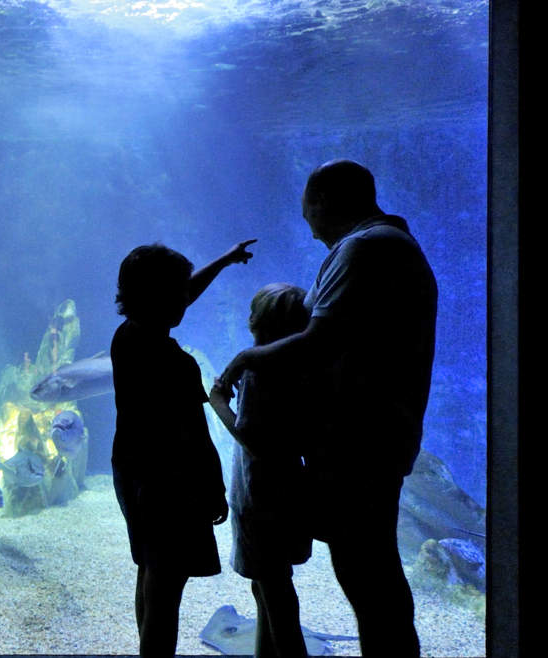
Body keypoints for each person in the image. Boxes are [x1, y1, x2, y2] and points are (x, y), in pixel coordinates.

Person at [219, 159, 437, 656]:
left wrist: (247, 358)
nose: (310, 228)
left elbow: (319, 341)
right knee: (369, 573)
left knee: (368, 576)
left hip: (361, 445)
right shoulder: (389, 245)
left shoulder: (363, 247)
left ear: (321, 202)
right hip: (370, 440)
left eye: (308, 213)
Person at [110, 238, 256, 657]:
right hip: (170, 483)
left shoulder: (127, 337)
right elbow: (192, 434)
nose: (186, 298)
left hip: (133, 473)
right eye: (177, 291)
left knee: (151, 572)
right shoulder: (175, 363)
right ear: (160, 298)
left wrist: (224, 260)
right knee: (167, 585)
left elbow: (183, 292)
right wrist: (213, 489)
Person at [209, 283, 315, 658]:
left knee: (275, 590)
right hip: (290, 487)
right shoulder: (301, 367)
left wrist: (217, 401)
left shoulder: (258, 372)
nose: (248, 318)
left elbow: (252, 438)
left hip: (261, 494)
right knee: (268, 587)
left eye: (254, 312)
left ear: (261, 323)